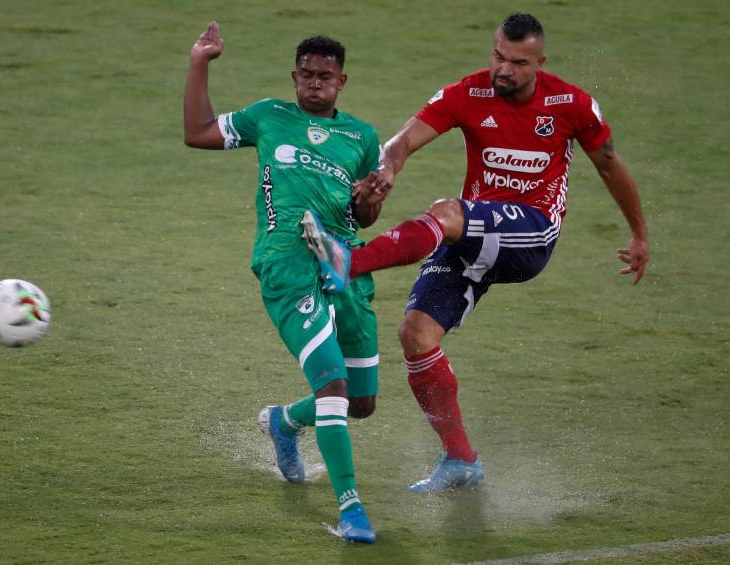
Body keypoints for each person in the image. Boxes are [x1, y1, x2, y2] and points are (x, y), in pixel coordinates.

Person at [302, 12, 649, 493]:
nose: (503, 70)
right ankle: (461, 459)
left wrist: (639, 235)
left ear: (540, 62)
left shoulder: (572, 104)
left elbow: (610, 165)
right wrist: (387, 171)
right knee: (416, 334)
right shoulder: (468, 93)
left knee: (446, 213)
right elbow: (402, 142)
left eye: (517, 62)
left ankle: (350, 262)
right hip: (478, 233)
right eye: (497, 56)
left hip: (532, 233)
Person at [183, 21, 385, 543]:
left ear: (343, 82)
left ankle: (285, 422)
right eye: (307, 75)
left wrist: (370, 195)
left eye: (326, 76)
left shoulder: (361, 137)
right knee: (334, 387)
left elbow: (365, 216)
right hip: (288, 266)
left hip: (346, 267)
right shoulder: (268, 116)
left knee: (361, 402)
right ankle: (352, 509)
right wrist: (200, 62)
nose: (315, 83)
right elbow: (198, 132)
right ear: (294, 77)